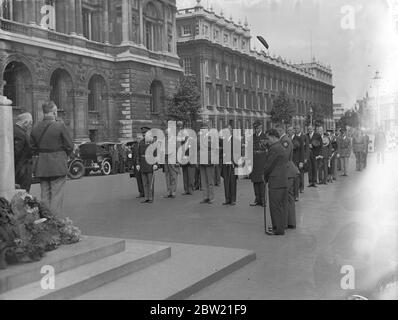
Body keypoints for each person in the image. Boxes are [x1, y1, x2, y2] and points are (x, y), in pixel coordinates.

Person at [31, 101, 74, 216]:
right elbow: (70, 145)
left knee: (45, 195)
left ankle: (45, 220)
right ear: (54, 112)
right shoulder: (60, 125)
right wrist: (64, 155)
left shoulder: (35, 127)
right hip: (57, 164)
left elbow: (33, 147)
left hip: (42, 166)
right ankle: (55, 223)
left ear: (44, 112)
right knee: (56, 195)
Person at [264, 129, 289, 236]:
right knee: (280, 206)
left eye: (268, 138)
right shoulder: (280, 147)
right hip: (282, 180)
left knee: (275, 206)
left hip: (276, 181)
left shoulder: (274, 148)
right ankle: (279, 226)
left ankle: (278, 229)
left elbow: (269, 165)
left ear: (273, 137)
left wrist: (264, 176)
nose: (267, 140)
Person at [277, 125, 299, 229]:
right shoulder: (286, 140)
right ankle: (291, 222)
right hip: (289, 171)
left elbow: (283, 157)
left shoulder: (284, 141)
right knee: (289, 198)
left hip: (287, 171)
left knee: (286, 198)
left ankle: (285, 223)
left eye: (277, 131)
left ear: (280, 130)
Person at [136, 127, 158, 203]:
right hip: (142, 164)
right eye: (143, 133)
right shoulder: (141, 142)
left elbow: (155, 153)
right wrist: (138, 164)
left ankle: (151, 198)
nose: (143, 134)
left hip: (150, 163)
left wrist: (155, 164)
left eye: (145, 133)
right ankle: (146, 197)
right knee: (144, 182)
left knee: (150, 182)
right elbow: (139, 154)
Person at [13, 112, 33, 192]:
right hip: (22, 168)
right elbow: (17, 153)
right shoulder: (21, 134)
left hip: (18, 168)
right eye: (30, 123)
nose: (30, 126)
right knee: (23, 192)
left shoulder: (13, 129)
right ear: (25, 122)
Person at [249, 120, 267, 207]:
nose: (256, 130)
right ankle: (257, 199)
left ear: (261, 128)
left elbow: (268, 150)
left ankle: (263, 200)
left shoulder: (265, 137)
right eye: (255, 128)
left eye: (258, 128)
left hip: (262, 162)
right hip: (254, 162)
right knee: (255, 181)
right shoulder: (252, 137)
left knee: (262, 181)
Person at [198, 123, 217, 204]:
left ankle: (211, 197)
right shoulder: (200, 138)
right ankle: (205, 197)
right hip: (202, 161)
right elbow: (198, 150)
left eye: (205, 128)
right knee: (203, 181)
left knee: (210, 181)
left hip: (209, 161)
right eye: (202, 129)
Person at [220, 125, 238, 206]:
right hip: (225, 163)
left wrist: (234, 162)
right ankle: (227, 198)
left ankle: (233, 199)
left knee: (232, 182)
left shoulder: (235, 140)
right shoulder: (224, 140)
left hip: (232, 164)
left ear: (231, 131)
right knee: (226, 182)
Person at [162, 127, 180, 199]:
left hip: (173, 160)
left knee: (174, 176)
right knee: (167, 176)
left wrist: (177, 161)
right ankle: (169, 191)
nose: (166, 135)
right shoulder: (164, 140)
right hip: (166, 160)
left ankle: (173, 192)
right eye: (165, 134)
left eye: (167, 134)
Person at [180, 130, 196, 196]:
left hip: (191, 161)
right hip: (184, 161)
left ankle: (191, 190)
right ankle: (186, 190)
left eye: (184, 135)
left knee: (191, 176)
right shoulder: (182, 142)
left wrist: (188, 157)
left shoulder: (192, 141)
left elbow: (193, 151)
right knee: (185, 176)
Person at [292, 125, 305, 200]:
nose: (289, 132)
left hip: (297, 161)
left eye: (291, 130)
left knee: (296, 178)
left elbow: (302, 151)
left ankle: (296, 195)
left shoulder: (299, 138)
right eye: (288, 131)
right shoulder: (287, 138)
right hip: (290, 162)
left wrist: (301, 161)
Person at [131, 134, 145, 198]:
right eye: (137, 138)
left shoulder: (144, 145)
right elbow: (133, 156)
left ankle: (145, 192)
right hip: (136, 165)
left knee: (144, 179)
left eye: (139, 138)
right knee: (138, 179)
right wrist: (132, 165)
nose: (138, 139)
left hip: (142, 164)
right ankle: (141, 192)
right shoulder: (135, 146)